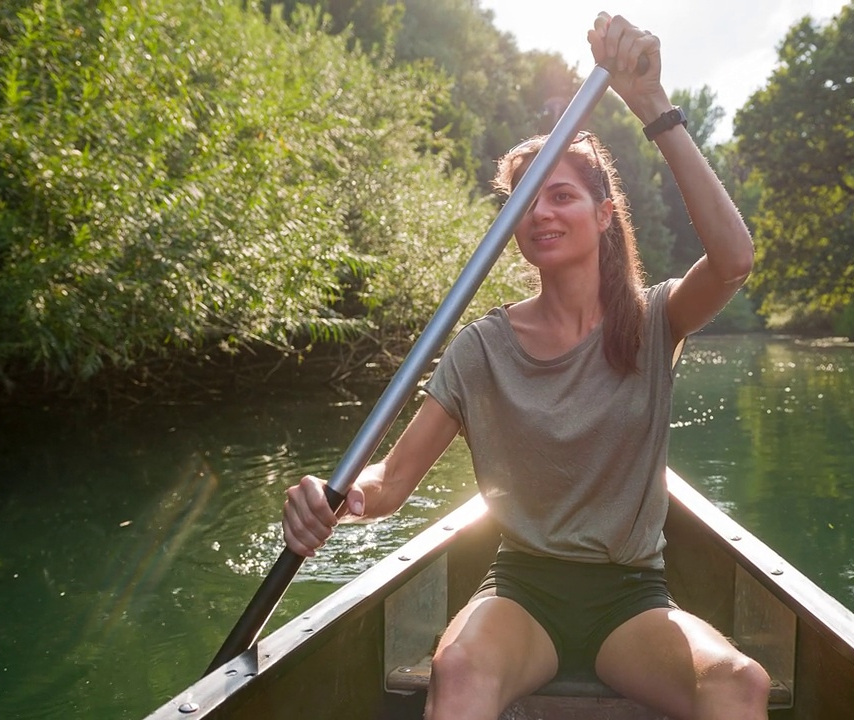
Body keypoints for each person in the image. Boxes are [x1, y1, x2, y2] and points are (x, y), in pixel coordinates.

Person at [282, 12, 769, 720]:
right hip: (522, 592)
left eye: (560, 194)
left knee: (740, 682)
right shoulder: (481, 349)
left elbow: (734, 259)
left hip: (632, 598)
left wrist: (653, 108)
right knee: (459, 670)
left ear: (606, 214)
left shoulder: (656, 319)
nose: (540, 213)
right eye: (523, 203)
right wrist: (338, 500)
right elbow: (391, 480)